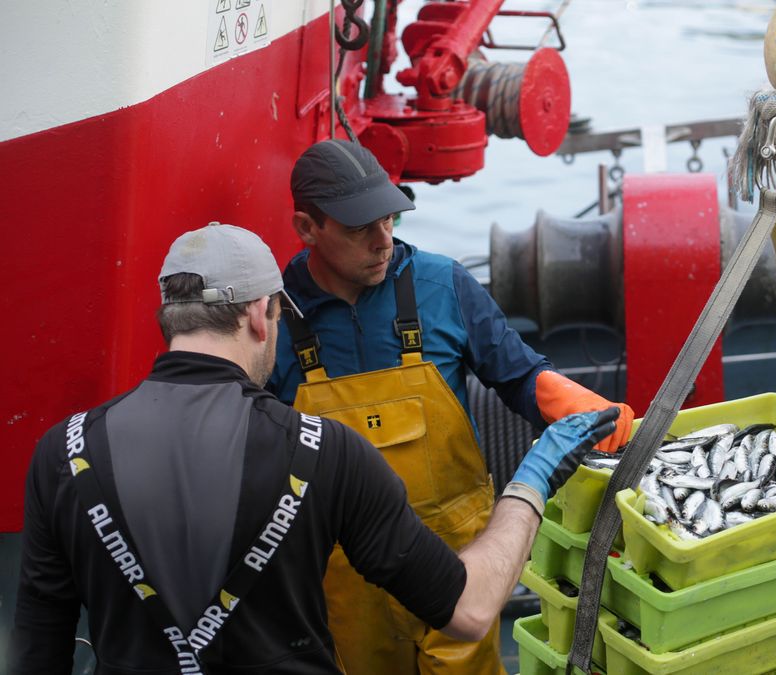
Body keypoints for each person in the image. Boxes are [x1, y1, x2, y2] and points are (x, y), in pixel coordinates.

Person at [12, 223, 618, 673]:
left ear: (169, 319)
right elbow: (469, 608)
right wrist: (532, 478)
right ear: (258, 316)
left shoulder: (62, 455)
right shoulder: (323, 451)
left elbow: (39, 644)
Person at [268, 139, 635, 674]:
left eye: (388, 219)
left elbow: (518, 375)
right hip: (343, 574)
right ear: (307, 228)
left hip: (461, 560)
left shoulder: (443, 284)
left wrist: (575, 406)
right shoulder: (275, 317)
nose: (382, 240)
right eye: (357, 228)